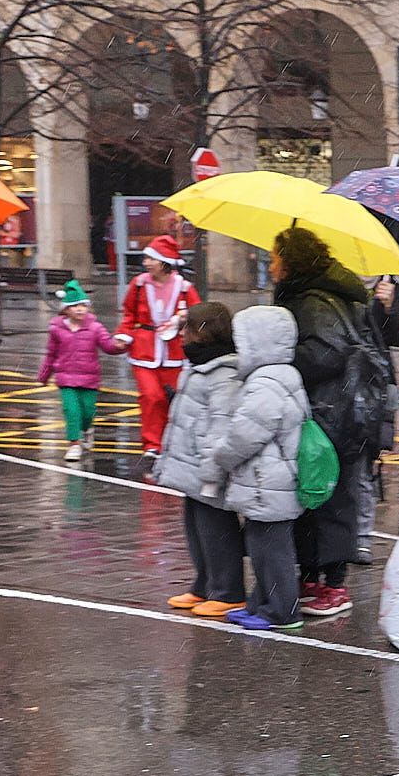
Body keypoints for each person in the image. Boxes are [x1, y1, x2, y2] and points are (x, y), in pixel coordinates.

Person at [269, 225, 386, 620]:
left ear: (291, 262)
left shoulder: (312, 301)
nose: (270, 265)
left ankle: (334, 583)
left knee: (329, 497)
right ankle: (316, 576)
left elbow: (326, 352)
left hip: (330, 412)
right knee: (321, 495)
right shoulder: (327, 293)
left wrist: (283, 356)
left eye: (275, 257)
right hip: (338, 411)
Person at [207, 305, 310, 633]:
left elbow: (247, 433)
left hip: (270, 483)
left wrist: (221, 455)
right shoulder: (280, 375)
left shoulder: (267, 382)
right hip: (268, 482)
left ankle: (282, 611)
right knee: (262, 545)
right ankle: (261, 603)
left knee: (272, 551)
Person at [156, 302, 247, 619]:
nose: (181, 335)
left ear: (205, 333)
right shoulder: (199, 365)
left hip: (206, 468)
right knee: (196, 528)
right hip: (190, 464)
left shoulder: (224, 373)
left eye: (187, 329)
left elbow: (220, 425)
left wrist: (211, 472)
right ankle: (205, 584)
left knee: (216, 528)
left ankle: (229, 591)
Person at [112, 234, 200, 467]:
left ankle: (174, 444)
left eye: (151, 258)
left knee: (175, 401)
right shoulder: (139, 284)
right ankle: (152, 445)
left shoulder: (184, 288)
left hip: (174, 354)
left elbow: (200, 316)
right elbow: (129, 314)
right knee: (151, 397)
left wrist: (185, 320)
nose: (146, 263)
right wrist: (123, 335)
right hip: (144, 352)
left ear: (164, 261)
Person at [352, 272, 399, 565]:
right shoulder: (341, 287)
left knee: (366, 462)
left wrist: (389, 308)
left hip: (374, 386)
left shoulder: (385, 289)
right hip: (345, 384)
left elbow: (398, 338)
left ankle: (361, 537)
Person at [37, 280, 123, 461]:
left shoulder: (95, 328)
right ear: (66, 309)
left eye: (83, 305)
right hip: (66, 379)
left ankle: (87, 429)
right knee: (71, 410)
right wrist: (44, 375)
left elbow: (107, 345)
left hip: (89, 379)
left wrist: (120, 346)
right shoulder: (56, 329)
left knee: (87, 411)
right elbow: (51, 354)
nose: (79, 309)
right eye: (75, 306)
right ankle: (74, 444)